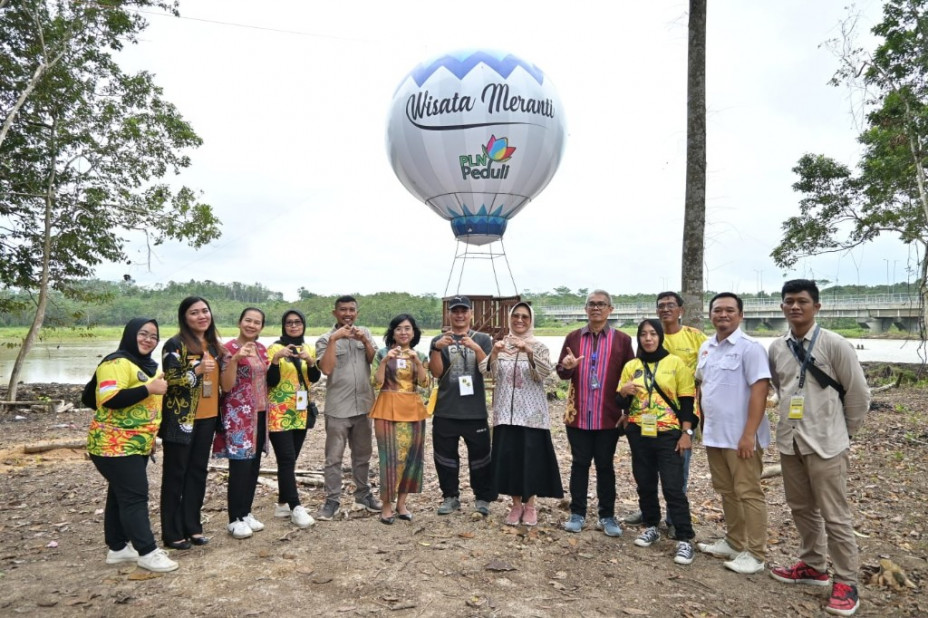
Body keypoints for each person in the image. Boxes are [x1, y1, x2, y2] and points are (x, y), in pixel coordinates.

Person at [767, 280, 871, 617]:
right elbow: (781, 387)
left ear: (817, 306)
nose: (794, 307)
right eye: (788, 302)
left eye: (802, 301)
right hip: (790, 440)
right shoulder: (777, 347)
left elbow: (858, 396)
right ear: (782, 307)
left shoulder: (835, 345)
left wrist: (844, 434)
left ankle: (846, 581)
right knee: (801, 508)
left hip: (827, 444)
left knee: (835, 515)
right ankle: (812, 566)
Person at [87, 318, 177, 572]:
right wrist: (150, 388)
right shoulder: (115, 362)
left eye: (153, 336)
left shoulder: (148, 366)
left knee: (120, 494)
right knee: (135, 495)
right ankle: (147, 551)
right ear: (130, 334)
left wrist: (149, 440)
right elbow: (109, 399)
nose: (148, 339)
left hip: (135, 443)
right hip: (112, 443)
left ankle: (117, 547)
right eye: (143, 334)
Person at [695, 292, 771, 574]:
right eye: (717, 310)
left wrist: (749, 434)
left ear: (740, 315)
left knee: (748, 491)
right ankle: (735, 541)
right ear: (710, 314)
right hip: (715, 434)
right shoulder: (707, 347)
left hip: (741, 436)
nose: (722, 315)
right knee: (726, 490)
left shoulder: (750, 348)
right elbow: (703, 386)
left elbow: (760, 391)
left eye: (729, 310)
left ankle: (756, 553)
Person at [617, 319, 697, 565]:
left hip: (669, 433)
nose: (648, 339)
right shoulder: (632, 366)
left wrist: (687, 433)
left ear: (660, 337)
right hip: (639, 431)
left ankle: (685, 538)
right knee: (645, 482)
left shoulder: (675, 363)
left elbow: (687, 401)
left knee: (673, 486)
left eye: (653, 334)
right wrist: (623, 392)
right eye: (643, 335)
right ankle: (651, 524)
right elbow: (621, 402)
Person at [625, 292, 707, 531]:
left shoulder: (696, 337)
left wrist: (689, 427)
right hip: (646, 419)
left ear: (681, 310)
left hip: (681, 414)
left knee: (676, 472)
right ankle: (649, 513)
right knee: (646, 472)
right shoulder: (650, 337)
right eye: (661, 306)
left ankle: (675, 519)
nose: (665, 309)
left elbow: (707, 371)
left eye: (671, 305)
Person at [556, 289, 634, 536]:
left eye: (601, 304)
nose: (596, 308)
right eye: (591, 304)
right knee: (579, 464)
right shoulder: (573, 337)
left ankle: (607, 515)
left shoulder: (622, 340)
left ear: (610, 309)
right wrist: (567, 368)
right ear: (585, 309)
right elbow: (562, 371)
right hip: (578, 415)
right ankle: (577, 513)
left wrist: (627, 411)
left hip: (608, 416)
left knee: (605, 466)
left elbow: (630, 376)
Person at [480, 302, 563, 526]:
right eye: (515, 316)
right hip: (505, 412)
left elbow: (543, 374)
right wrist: (495, 354)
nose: (519, 320)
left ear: (531, 320)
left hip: (532, 414)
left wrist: (528, 352)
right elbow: (486, 371)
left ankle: (531, 505)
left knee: (532, 459)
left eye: (524, 317)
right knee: (510, 459)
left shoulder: (540, 346)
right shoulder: (501, 345)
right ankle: (516, 505)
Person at [160, 297, 232, 550]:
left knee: (197, 473)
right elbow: (170, 380)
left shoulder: (213, 346)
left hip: (208, 418)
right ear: (184, 317)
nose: (202, 316)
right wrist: (197, 371)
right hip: (181, 419)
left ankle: (193, 525)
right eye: (194, 313)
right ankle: (171, 531)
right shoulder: (174, 345)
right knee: (175, 475)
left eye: (205, 311)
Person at [314, 296, 382, 520]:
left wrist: (365, 341)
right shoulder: (325, 339)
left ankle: (363, 494)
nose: (347, 313)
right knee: (333, 458)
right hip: (337, 409)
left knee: (362, 455)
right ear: (335, 313)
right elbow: (326, 369)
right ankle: (332, 500)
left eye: (352, 310)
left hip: (363, 405)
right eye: (343, 310)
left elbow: (374, 360)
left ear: (357, 313)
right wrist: (334, 340)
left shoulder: (365, 333)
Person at [428, 295, 496, 516]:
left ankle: (483, 497)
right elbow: (437, 373)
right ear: (449, 313)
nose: (459, 315)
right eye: (455, 311)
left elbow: (488, 370)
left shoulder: (484, 339)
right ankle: (450, 496)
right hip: (446, 409)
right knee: (445, 456)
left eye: (463, 311)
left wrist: (476, 348)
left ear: (471, 314)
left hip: (475, 411)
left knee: (481, 456)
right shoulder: (439, 339)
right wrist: (437, 349)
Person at [214, 307, 277, 539]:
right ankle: (234, 518)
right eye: (248, 321)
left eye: (257, 322)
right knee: (239, 467)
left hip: (260, 414)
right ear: (240, 322)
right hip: (238, 416)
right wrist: (236, 359)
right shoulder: (228, 349)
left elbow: (266, 380)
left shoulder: (261, 349)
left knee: (253, 465)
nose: (252, 325)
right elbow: (226, 386)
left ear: (261, 327)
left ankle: (246, 512)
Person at [369, 314, 430, 524]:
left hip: (413, 409)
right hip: (387, 407)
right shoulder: (382, 353)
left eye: (407, 328)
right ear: (392, 332)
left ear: (414, 332)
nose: (403, 332)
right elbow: (376, 383)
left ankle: (402, 503)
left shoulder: (419, 355)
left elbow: (425, 383)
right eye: (399, 329)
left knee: (412, 457)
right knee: (389, 458)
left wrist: (417, 362)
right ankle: (386, 505)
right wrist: (385, 361)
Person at [267, 309, 321, 528]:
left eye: (297, 322)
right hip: (279, 411)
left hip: (301, 411)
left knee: (290, 459)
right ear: (283, 325)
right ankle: (296, 507)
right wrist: (276, 360)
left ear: (303, 325)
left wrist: (310, 361)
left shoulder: (309, 348)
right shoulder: (274, 348)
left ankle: (282, 503)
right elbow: (270, 380)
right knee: (287, 458)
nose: (293, 326)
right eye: (289, 322)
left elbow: (315, 378)